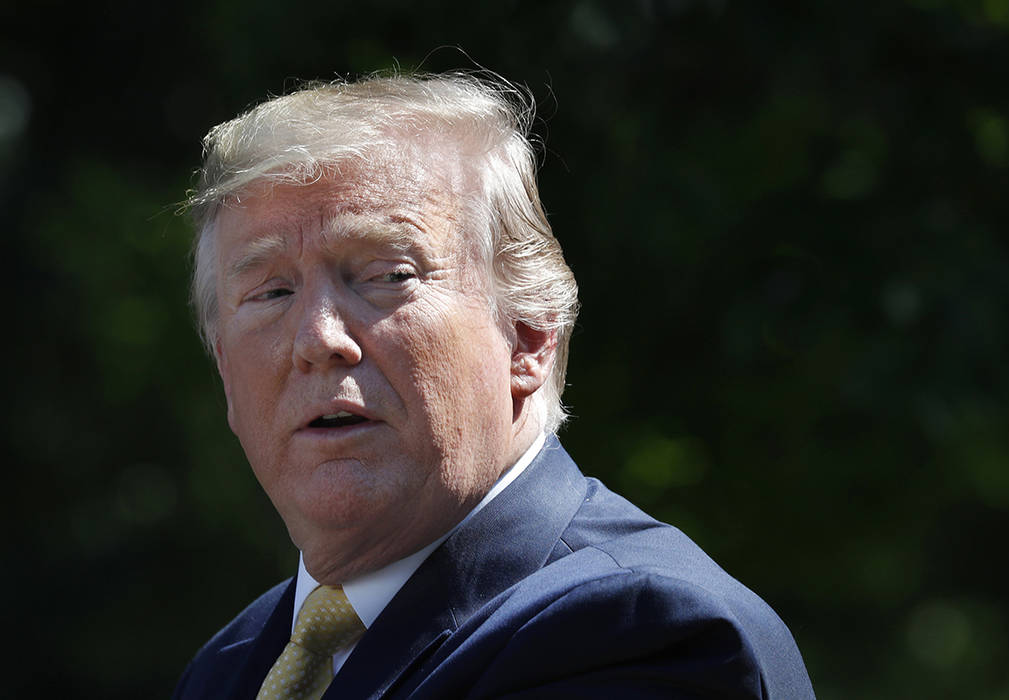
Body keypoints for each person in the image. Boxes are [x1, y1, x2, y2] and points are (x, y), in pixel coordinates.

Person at [174, 72, 816, 699]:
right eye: (272, 292)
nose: (317, 338)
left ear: (529, 338)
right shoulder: (230, 667)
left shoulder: (640, 635)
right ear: (228, 374)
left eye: (386, 274)